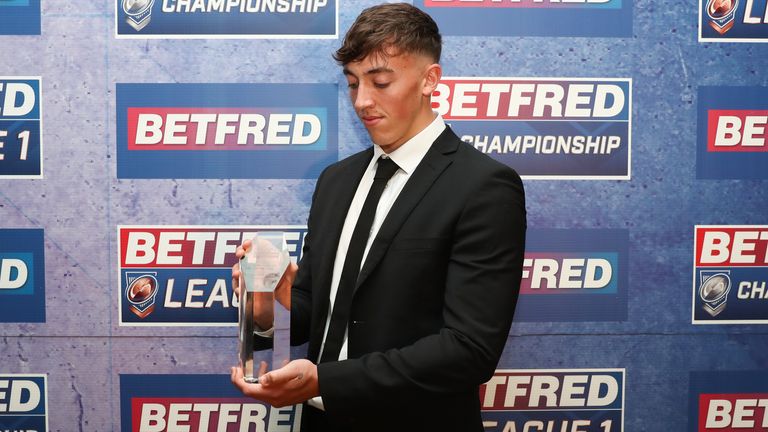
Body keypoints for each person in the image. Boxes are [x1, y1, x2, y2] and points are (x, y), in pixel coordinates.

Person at [230, 3, 526, 430]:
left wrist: (324, 380)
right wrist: (270, 293)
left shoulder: (484, 186)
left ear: (430, 80)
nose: (362, 101)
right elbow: (326, 315)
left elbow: (469, 349)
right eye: (352, 85)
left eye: (381, 82)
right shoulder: (336, 181)